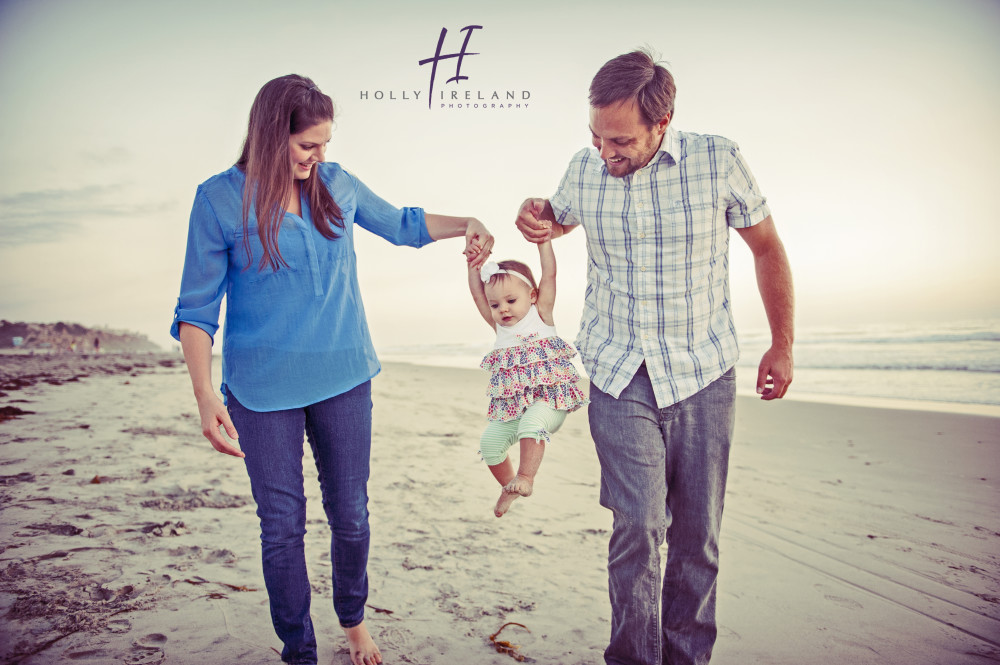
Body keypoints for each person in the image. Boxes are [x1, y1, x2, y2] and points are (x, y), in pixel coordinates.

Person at [170, 74, 493, 665]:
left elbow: (402, 223)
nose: (318, 157)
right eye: (306, 146)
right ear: (271, 135)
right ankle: (299, 650)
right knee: (282, 529)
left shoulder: (336, 185)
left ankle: (353, 619)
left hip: (345, 376)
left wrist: (465, 223)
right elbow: (196, 311)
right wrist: (203, 395)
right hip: (261, 391)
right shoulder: (218, 199)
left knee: (351, 515)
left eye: (325, 145)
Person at [515, 50, 794, 665]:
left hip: (703, 373)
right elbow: (553, 218)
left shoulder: (718, 160)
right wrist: (536, 217)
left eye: (619, 139)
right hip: (618, 372)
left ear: (662, 122)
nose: (604, 150)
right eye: (595, 135)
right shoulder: (586, 169)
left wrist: (782, 342)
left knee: (697, 539)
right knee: (638, 526)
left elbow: (768, 248)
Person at [466, 242, 587, 517]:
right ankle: (510, 487)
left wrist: (544, 243)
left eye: (511, 301)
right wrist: (473, 265)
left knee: (533, 422)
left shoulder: (541, 313)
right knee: (489, 443)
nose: (503, 309)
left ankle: (526, 477)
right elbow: (476, 294)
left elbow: (549, 275)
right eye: (495, 304)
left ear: (532, 295)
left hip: (550, 403)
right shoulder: (499, 326)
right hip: (516, 410)